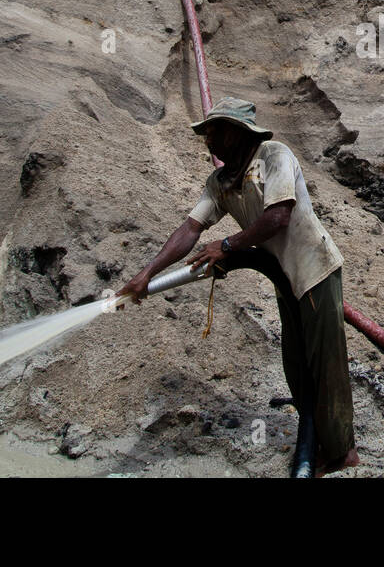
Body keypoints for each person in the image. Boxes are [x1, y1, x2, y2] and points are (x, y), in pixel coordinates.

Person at [117, 97, 358, 477]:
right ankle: (315, 443)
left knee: (324, 365)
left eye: (213, 131)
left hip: (314, 269)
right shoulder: (220, 182)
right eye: (206, 132)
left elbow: (278, 217)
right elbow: (191, 229)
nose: (207, 139)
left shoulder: (273, 155)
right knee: (297, 368)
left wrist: (227, 246)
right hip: (283, 278)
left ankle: (342, 451)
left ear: (235, 132)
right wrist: (147, 273)